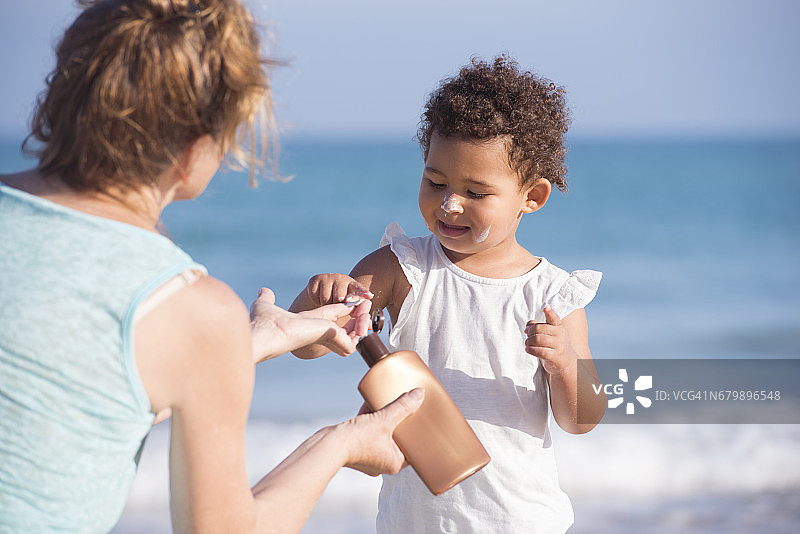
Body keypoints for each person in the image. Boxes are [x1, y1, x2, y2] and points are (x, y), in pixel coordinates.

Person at [0, 1, 422, 532]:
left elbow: (69, 387)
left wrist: (254, 340)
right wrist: (341, 443)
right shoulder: (190, 308)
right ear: (192, 150)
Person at [289, 55, 607, 533]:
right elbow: (309, 345)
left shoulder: (552, 295)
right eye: (435, 182)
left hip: (522, 519)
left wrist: (563, 364)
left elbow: (581, 419)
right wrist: (317, 303)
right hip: (418, 522)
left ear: (532, 197)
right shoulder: (403, 268)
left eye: (476, 193)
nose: (449, 203)